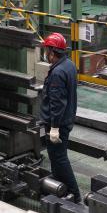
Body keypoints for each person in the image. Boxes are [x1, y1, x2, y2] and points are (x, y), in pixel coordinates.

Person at [39, 32, 79, 196]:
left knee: (60, 158)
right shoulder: (69, 65)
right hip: (67, 119)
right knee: (56, 158)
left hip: (58, 124)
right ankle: (59, 189)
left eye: (46, 50)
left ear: (52, 51)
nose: (45, 53)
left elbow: (57, 103)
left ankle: (75, 194)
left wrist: (54, 127)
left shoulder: (57, 72)